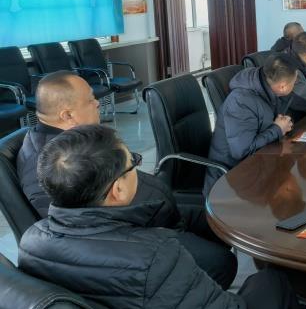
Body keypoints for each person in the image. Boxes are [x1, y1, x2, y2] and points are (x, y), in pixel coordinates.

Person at [18, 125, 306, 309]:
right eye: (133, 162)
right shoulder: (153, 257)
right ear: (118, 189)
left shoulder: (31, 242)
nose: (137, 168)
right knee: (273, 281)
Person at [16, 70, 237, 288]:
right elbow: (84, 230)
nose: (97, 103)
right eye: (91, 100)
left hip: (155, 210)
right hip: (139, 232)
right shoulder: (52, 164)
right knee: (221, 262)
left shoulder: (77, 140)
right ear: (67, 115)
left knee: (221, 219)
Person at [206, 56, 296, 196]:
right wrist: (277, 129)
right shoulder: (241, 102)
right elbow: (242, 151)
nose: (295, 86)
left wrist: (282, 124)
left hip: (259, 165)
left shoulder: (266, 88)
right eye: (294, 83)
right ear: (282, 86)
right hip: (232, 180)